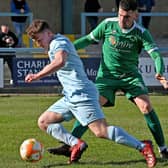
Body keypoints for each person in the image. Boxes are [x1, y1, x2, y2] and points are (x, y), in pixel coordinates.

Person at [25, 19, 156, 167]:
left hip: (82, 95)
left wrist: (38, 75)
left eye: (39, 39)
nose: (38, 44)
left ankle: (142, 146)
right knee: (44, 122)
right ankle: (76, 144)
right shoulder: (54, 44)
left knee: (101, 131)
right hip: (71, 96)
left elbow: (60, 61)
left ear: (48, 33)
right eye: (35, 41)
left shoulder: (58, 43)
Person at [48, 0, 168, 161]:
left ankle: (163, 148)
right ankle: (70, 145)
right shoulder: (107, 25)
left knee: (146, 106)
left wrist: (160, 72)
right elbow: (88, 39)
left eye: (126, 17)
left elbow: (155, 54)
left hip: (130, 77)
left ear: (135, 15)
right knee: (91, 106)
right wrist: (66, 48)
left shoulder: (141, 32)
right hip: (106, 77)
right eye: (119, 15)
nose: (121, 20)